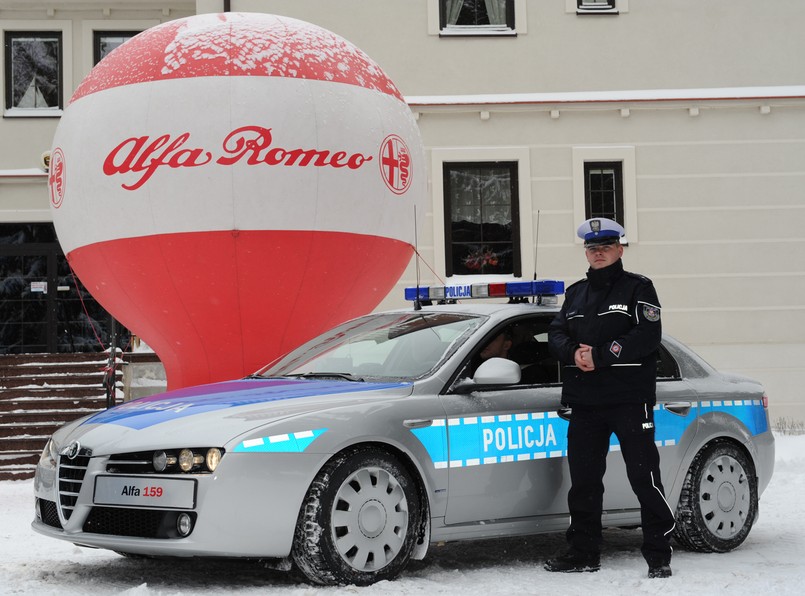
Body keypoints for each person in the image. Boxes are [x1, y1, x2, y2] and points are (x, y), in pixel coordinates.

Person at [545, 217, 675, 579]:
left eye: (605, 247)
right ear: (585, 252)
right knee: (584, 482)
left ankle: (658, 554)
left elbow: (647, 334)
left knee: (643, 478)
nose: (597, 253)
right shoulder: (575, 294)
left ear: (619, 249)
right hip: (586, 403)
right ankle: (583, 553)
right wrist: (574, 354)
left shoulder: (638, 288)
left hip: (629, 400)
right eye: (591, 248)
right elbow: (555, 334)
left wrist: (599, 355)